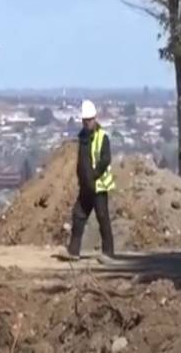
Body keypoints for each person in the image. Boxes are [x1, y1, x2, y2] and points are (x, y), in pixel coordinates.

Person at [66, 100, 115, 261]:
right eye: (85, 120)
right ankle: (73, 251)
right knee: (78, 216)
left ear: (95, 118)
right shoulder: (83, 138)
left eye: (90, 120)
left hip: (98, 185)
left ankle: (108, 252)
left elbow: (105, 159)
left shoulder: (103, 137)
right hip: (86, 186)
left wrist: (94, 174)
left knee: (102, 217)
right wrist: (82, 178)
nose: (87, 123)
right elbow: (82, 161)